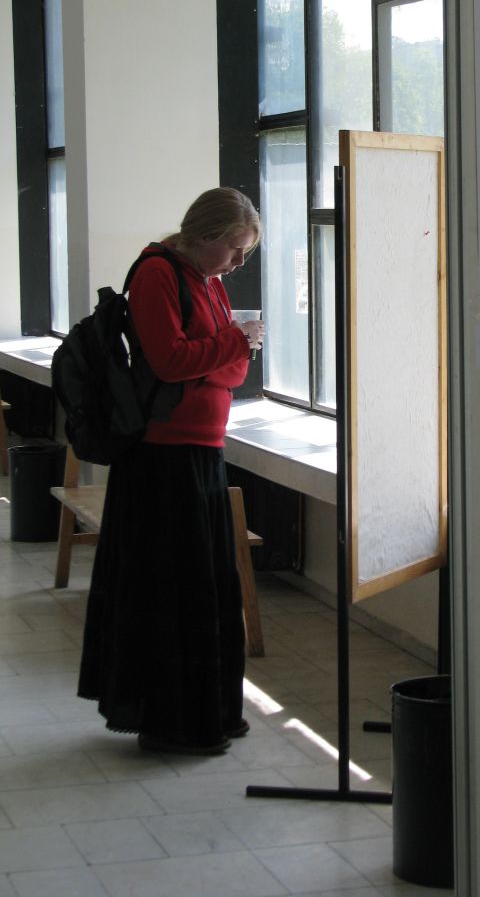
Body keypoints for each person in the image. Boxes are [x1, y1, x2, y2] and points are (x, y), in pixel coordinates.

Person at [77, 187, 264, 756]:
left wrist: (222, 352)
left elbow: (232, 375)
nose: (238, 263)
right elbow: (169, 360)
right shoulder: (158, 273)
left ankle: (211, 714)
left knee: (208, 591)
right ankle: (173, 724)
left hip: (202, 448)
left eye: (246, 253)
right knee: (173, 595)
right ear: (204, 235)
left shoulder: (209, 281)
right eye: (234, 249)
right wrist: (231, 344)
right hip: (163, 456)